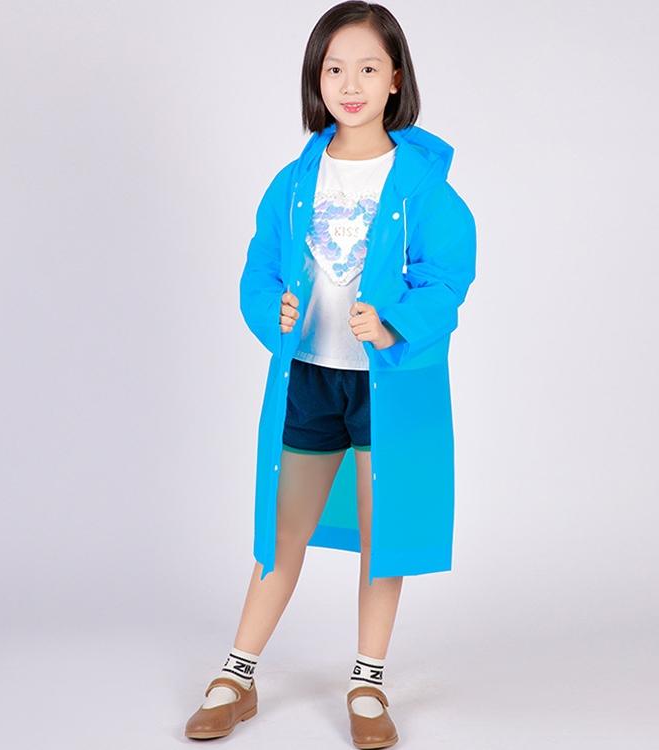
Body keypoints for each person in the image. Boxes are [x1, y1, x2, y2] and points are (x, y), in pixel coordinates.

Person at [185, 2, 476, 747]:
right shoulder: (294, 180)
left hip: (387, 384)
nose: (351, 84)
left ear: (395, 79)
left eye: (368, 68)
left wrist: (395, 321)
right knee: (281, 533)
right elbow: (259, 267)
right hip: (309, 380)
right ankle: (238, 674)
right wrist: (271, 312)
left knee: (386, 534)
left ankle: (368, 682)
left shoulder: (421, 183)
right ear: (317, 79)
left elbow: (448, 274)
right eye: (334, 69)